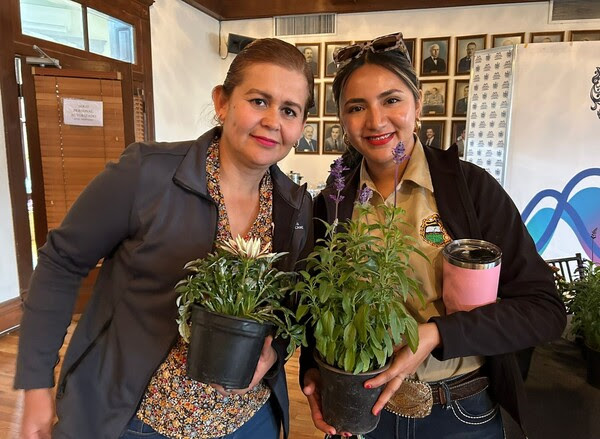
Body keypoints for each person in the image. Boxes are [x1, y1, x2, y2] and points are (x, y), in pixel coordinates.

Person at [15, 38, 315, 439]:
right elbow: (61, 263)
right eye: (259, 101)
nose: (273, 121)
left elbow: (291, 307)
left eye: (289, 110)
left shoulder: (295, 206)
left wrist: (273, 355)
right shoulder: (146, 174)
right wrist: (36, 385)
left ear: (301, 127)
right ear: (222, 102)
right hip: (137, 422)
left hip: (248, 422)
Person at [300, 32, 566, 439]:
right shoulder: (332, 204)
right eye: (357, 107)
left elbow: (544, 310)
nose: (376, 121)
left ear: (419, 104)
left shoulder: (470, 189)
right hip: (360, 410)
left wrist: (438, 333)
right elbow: (316, 306)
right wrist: (314, 373)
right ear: (343, 120)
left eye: (391, 100)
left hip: (456, 411)